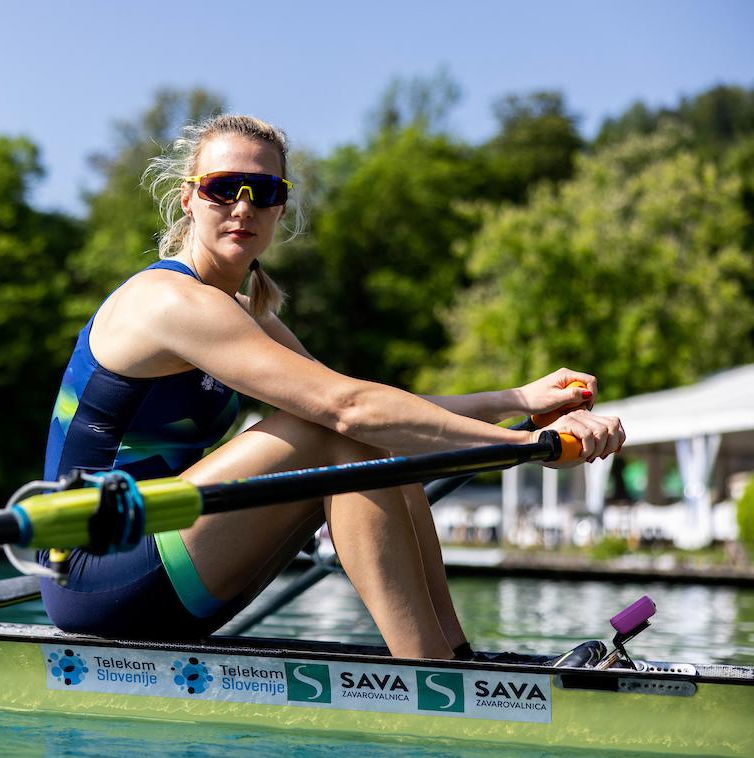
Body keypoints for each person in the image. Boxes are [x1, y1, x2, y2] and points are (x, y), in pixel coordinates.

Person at [40, 114, 625, 659]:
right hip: (94, 572)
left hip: (168, 565)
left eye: (264, 191)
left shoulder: (248, 313)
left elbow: (368, 406)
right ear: (190, 199)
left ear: (280, 208)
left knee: (367, 435)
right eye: (224, 187)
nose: (244, 207)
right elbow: (347, 410)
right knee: (337, 434)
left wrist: (520, 401)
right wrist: (527, 449)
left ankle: (453, 658)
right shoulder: (167, 301)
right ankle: (433, 675)